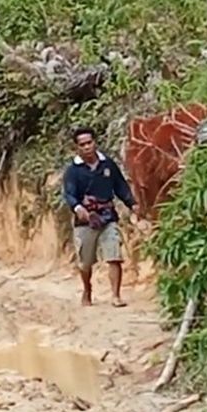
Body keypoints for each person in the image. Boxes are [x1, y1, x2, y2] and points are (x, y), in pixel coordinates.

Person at [62, 127, 139, 307]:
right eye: (83, 144)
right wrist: (77, 207)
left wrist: (132, 203)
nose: (87, 147)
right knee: (85, 263)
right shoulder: (73, 171)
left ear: (95, 142)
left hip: (108, 216)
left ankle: (115, 296)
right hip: (85, 221)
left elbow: (120, 186)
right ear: (77, 147)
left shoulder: (108, 164)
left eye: (90, 142)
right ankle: (87, 290)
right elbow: (69, 194)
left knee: (114, 256)